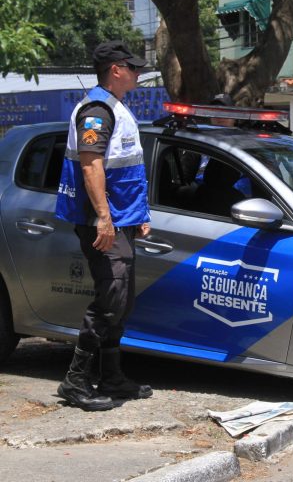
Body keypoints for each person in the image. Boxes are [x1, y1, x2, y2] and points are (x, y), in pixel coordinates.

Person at [55, 40, 152, 411]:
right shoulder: (96, 110)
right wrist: (104, 218)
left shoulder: (115, 106)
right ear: (116, 70)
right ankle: (76, 381)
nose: (138, 73)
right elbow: (91, 165)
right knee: (111, 298)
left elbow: (125, 168)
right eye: (133, 67)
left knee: (121, 300)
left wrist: (139, 216)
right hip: (102, 222)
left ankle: (111, 377)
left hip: (122, 220)